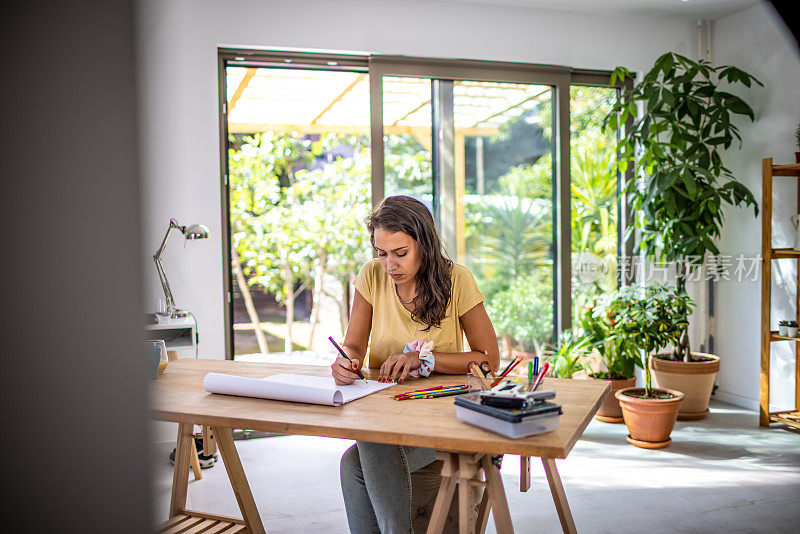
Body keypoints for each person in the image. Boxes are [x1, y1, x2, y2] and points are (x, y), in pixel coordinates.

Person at [331, 195, 500, 534]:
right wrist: (346, 359)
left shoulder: (457, 279)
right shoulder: (371, 276)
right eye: (381, 253)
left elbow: (488, 360)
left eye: (400, 253)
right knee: (354, 460)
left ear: (423, 245)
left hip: (443, 417)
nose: (389, 265)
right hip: (388, 412)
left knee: (368, 447)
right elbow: (353, 345)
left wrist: (424, 359)